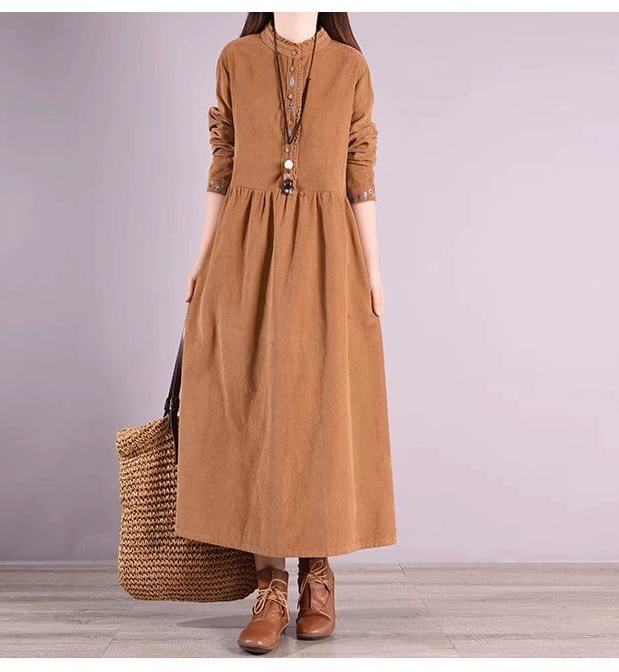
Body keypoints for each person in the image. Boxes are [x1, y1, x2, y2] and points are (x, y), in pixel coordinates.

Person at [175, 11, 397, 655]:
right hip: (246, 252)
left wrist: (374, 273)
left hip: (329, 254)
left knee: (319, 411)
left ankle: (316, 574)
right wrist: (201, 259)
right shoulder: (236, 58)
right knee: (259, 413)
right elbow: (222, 163)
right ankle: (270, 585)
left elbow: (360, 173)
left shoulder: (350, 67)